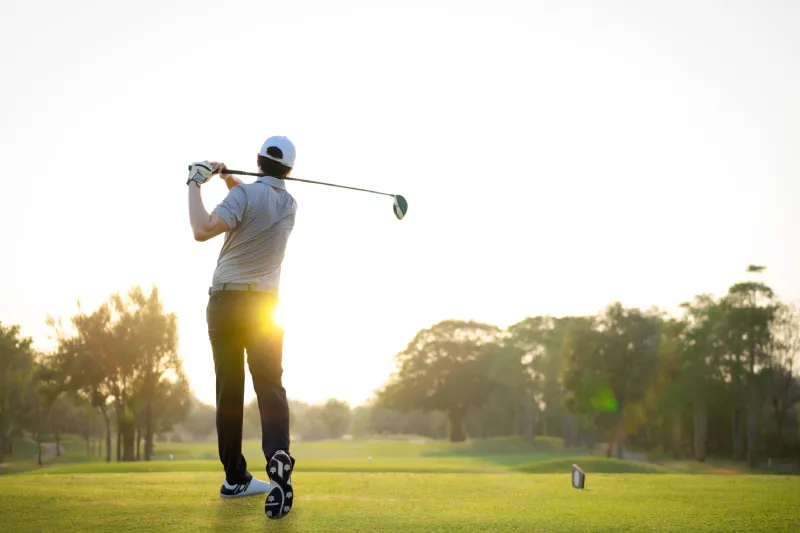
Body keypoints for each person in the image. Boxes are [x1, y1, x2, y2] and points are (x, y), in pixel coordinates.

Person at [186, 136, 298, 520]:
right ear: (289, 171)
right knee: (270, 386)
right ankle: (278, 455)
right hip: (265, 308)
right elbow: (253, 201)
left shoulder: (244, 198)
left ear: (258, 159)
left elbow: (202, 230)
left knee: (229, 390)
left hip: (227, 303)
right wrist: (231, 179)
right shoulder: (289, 205)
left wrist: (194, 183)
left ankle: (235, 477)